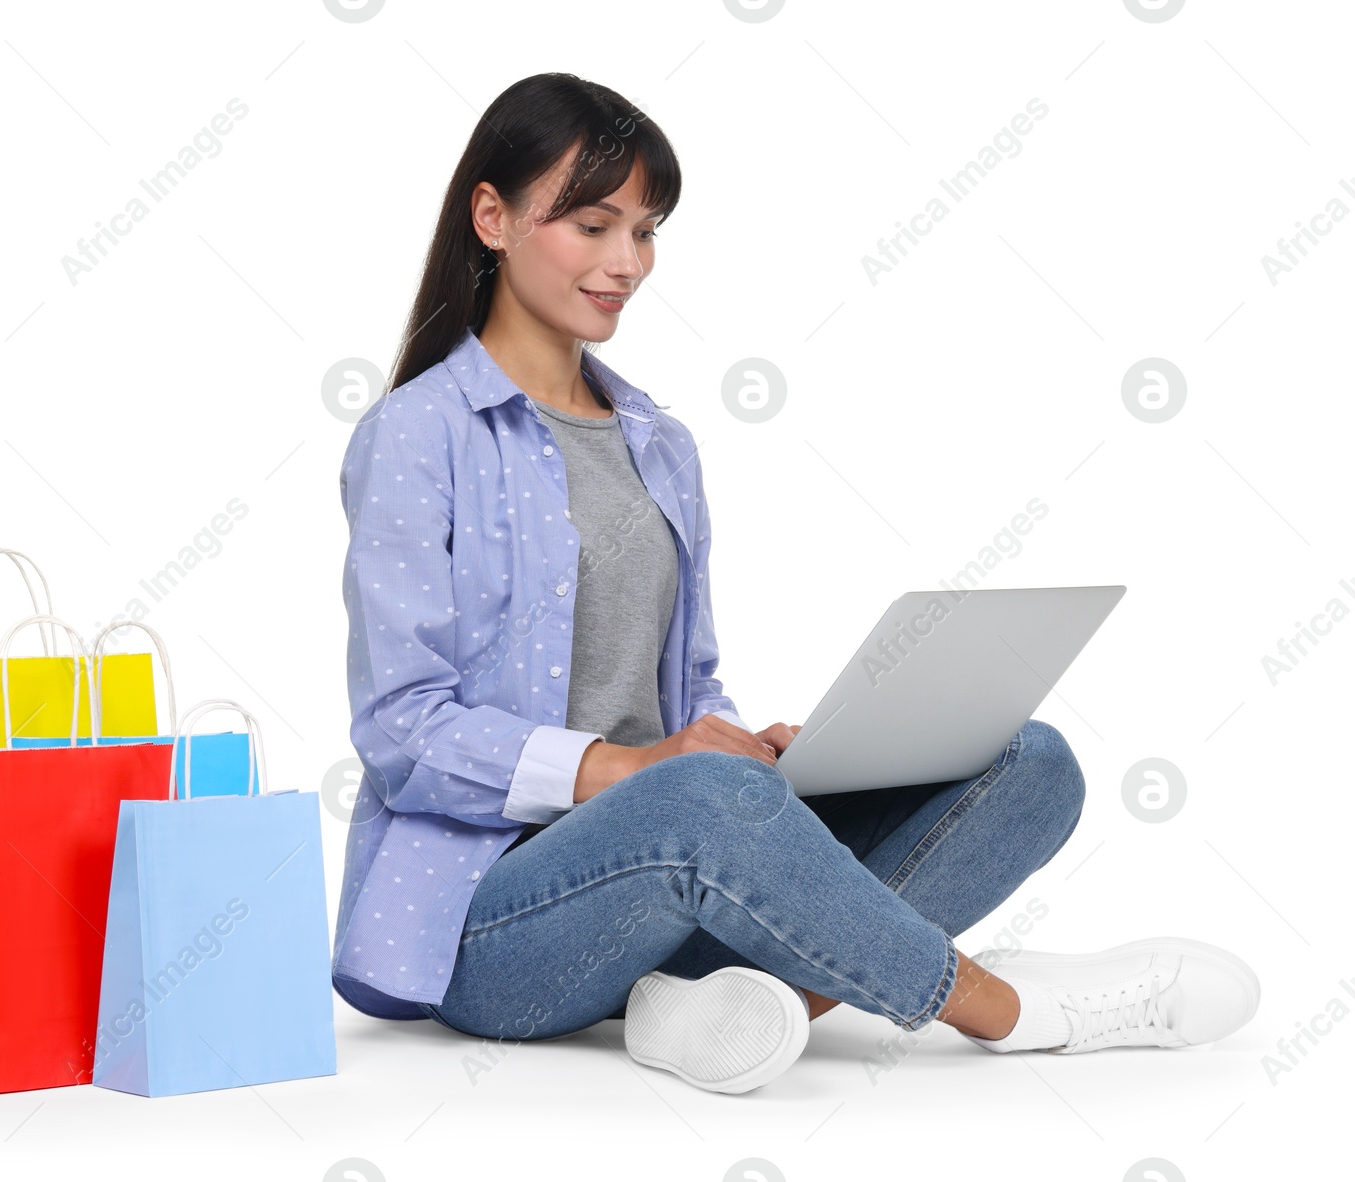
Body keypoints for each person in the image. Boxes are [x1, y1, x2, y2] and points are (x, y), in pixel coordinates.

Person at [331, 72, 1259, 1093]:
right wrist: (632, 771)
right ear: (492, 215)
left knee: (1030, 764)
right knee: (704, 800)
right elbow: (402, 729)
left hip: (673, 884)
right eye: (592, 225)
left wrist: (746, 748)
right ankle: (1009, 1009)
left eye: (645, 232)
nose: (625, 263)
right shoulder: (417, 437)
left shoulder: (658, 443)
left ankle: (727, 1005)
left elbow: (688, 691)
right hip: (494, 932)